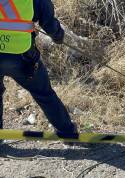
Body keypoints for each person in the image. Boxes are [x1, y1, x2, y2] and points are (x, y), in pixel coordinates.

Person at [0, 0, 77, 143]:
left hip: (18, 55)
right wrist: (58, 36)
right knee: (44, 93)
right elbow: (49, 23)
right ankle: (67, 133)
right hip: (21, 57)